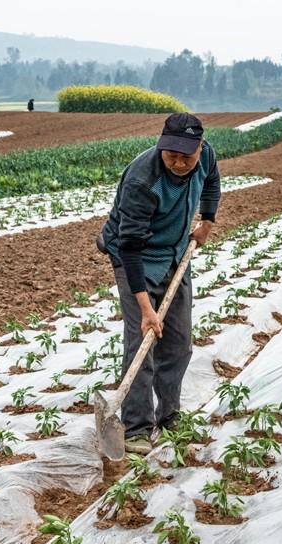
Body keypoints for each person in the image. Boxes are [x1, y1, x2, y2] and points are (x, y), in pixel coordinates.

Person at [97, 113, 220, 454]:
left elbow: (211, 182)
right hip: (135, 257)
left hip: (175, 252)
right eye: (171, 156)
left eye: (187, 156)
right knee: (142, 341)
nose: (179, 163)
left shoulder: (206, 154)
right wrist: (147, 308)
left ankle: (170, 417)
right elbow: (130, 246)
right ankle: (137, 427)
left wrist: (207, 221)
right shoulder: (142, 180)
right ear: (161, 146)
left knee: (178, 342)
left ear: (199, 148)